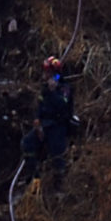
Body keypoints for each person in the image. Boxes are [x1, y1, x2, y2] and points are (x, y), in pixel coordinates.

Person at [22, 56, 78, 192]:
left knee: (57, 156)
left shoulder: (64, 88)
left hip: (58, 126)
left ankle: (60, 188)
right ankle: (34, 178)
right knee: (27, 143)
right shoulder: (45, 88)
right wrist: (37, 123)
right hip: (44, 125)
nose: (44, 76)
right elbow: (40, 107)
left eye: (47, 73)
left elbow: (62, 105)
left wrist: (53, 92)